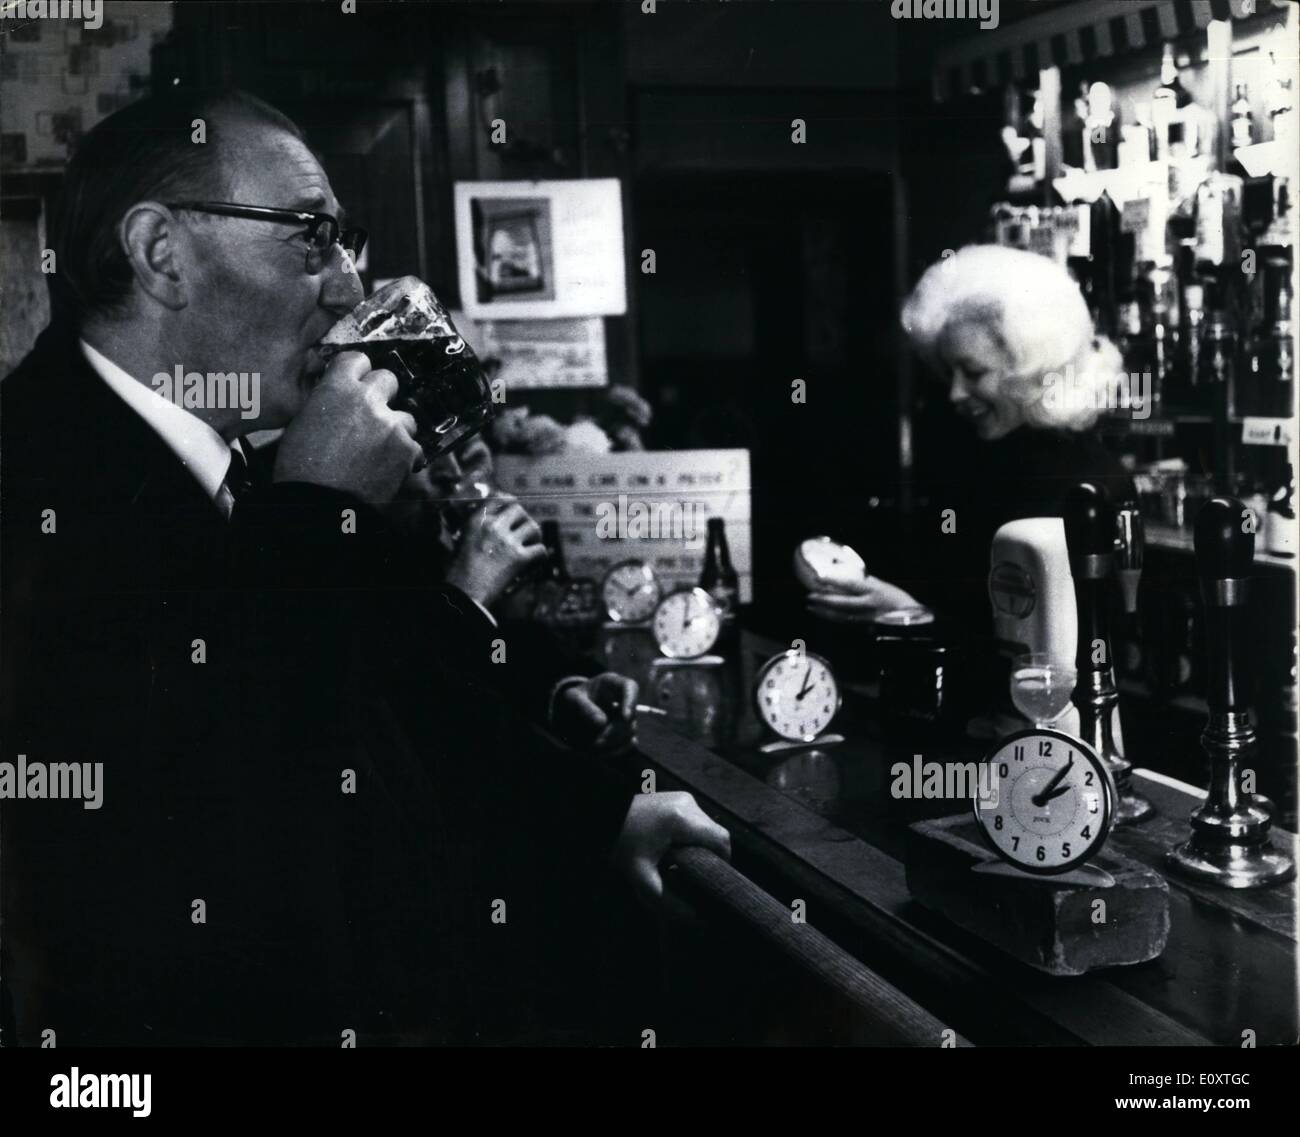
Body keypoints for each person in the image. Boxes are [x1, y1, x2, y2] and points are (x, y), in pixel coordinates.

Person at [0, 88, 727, 1046]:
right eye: (310, 237)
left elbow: (389, 715)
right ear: (160, 254)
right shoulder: (34, 476)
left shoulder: (246, 450)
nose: (348, 287)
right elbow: (184, 825)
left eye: (347, 243)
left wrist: (593, 818)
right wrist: (317, 511)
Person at [811, 244, 1136, 641]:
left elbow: (1062, 655)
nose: (956, 394)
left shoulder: (1090, 488)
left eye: (974, 372)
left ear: (1032, 371)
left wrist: (910, 615)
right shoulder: (974, 459)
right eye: (950, 372)